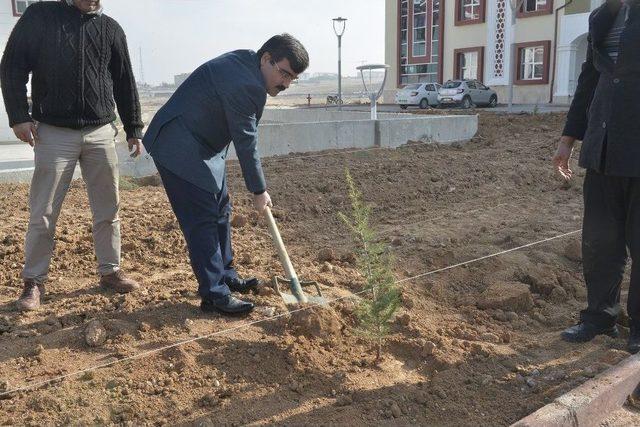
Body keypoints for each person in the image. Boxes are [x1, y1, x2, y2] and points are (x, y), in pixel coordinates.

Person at [143, 34, 309, 315]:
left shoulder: (248, 61)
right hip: (180, 145)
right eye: (284, 74)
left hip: (205, 145)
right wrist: (259, 191)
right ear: (266, 59)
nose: (285, 83)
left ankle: (226, 275)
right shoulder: (247, 85)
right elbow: (246, 142)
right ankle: (214, 294)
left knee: (221, 207)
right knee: (203, 218)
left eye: (292, 78)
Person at [0, 0, 144, 311]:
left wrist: (134, 126)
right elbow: (12, 66)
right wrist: (18, 115)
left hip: (101, 132)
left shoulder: (111, 29)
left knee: (109, 207)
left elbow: (124, 82)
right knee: (43, 211)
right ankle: (33, 283)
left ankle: (110, 272)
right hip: (52, 131)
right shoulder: (41, 15)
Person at [554, 0, 640, 354]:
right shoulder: (603, 16)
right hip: (603, 149)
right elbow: (588, 81)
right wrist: (567, 141)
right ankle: (599, 316)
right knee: (600, 243)